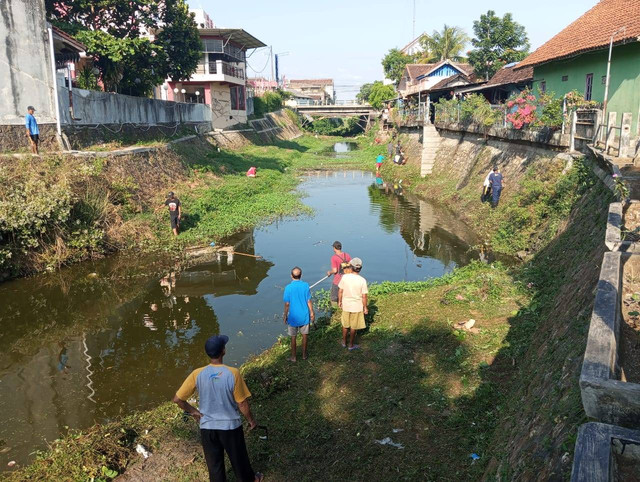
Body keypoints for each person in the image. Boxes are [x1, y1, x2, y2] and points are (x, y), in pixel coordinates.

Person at [173, 335, 263, 482]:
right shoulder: (233, 373)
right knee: (239, 458)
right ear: (223, 351)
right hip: (230, 427)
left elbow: (178, 399)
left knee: (214, 465)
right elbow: (242, 404)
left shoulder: (197, 373)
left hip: (207, 427)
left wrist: (194, 411)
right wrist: (251, 421)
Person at [283, 266, 315, 362]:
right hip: (304, 315)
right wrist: (312, 312)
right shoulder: (305, 285)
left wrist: (285, 315)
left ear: (291, 276)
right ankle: (304, 355)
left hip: (293, 317)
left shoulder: (288, 288)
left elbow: (287, 304)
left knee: (293, 337)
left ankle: (294, 357)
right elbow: (308, 301)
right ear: (301, 275)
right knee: (305, 335)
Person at [338, 258, 368, 350]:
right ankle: (351, 345)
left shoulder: (345, 277)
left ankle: (343, 342)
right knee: (353, 326)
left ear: (351, 267)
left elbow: (340, 291)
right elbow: (364, 296)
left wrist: (340, 301)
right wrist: (365, 307)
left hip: (346, 305)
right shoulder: (362, 280)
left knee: (345, 325)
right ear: (360, 268)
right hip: (357, 306)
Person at [326, 241, 351, 308]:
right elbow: (351, 266)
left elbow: (335, 270)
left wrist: (329, 272)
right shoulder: (347, 255)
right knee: (344, 295)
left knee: (333, 297)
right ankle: (343, 306)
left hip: (338, 280)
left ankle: (335, 310)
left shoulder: (334, 257)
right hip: (347, 279)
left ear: (334, 248)